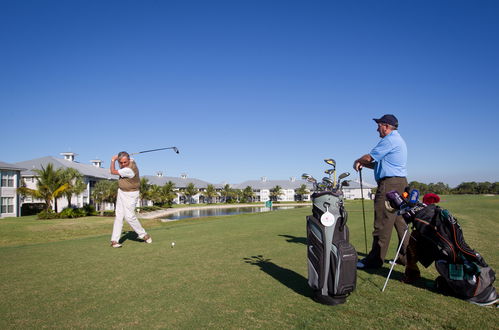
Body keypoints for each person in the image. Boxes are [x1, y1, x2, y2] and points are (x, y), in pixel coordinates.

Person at [353, 114, 409, 269]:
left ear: (386, 126)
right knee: (400, 222)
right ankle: (406, 258)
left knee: (382, 223)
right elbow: (378, 164)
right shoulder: (397, 140)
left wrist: (358, 161)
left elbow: (369, 158)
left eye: (379, 124)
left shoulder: (389, 140)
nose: (377, 127)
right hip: (401, 183)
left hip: (389, 185)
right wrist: (365, 164)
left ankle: (374, 261)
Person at [109, 151, 152, 248]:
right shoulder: (131, 160)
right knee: (119, 215)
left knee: (129, 217)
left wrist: (113, 160)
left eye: (125, 162)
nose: (123, 164)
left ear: (129, 160)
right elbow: (129, 159)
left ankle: (144, 235)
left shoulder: (129, 170)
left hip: (131, 194)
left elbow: (112, 171)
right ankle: (114, 240)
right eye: (121, 162)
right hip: (121, 192)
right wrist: (122, 157)